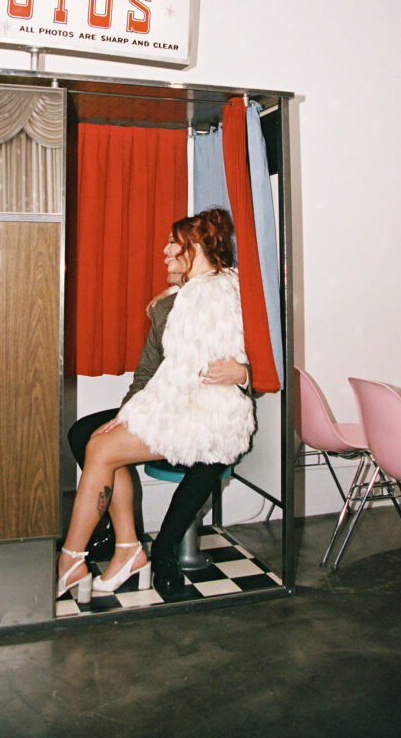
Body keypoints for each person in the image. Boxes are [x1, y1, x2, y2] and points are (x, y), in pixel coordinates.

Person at [58, 208, 256, 603]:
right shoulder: (181, 300)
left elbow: (192, 374)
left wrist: (245, 372)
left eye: (173, 243)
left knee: (101, 446)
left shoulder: (218, 295)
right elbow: (151, 373)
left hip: (209, 419)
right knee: (93, 438)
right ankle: (122, 547)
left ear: (196, 248)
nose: (165, 251)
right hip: (182, 407)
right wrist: (127, 415)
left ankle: (118, 553)